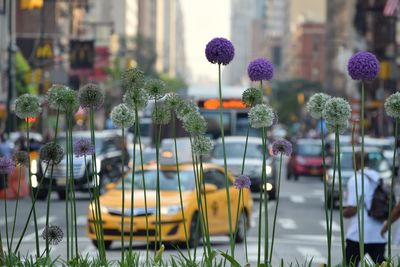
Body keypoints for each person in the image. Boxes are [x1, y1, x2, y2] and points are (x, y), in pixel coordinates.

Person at [343, 151, 387, 266]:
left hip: (358, 233)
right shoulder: (377, 177)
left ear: (356, 161)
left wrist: (344, 212)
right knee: (381, 263)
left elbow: (352, 209)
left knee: (349, 264)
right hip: (378, 233)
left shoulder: (355, 179)